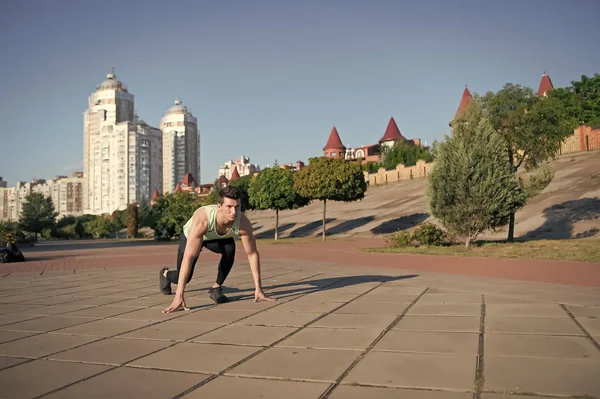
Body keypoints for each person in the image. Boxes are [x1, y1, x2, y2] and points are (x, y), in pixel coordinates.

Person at [160, 186, 276, 313]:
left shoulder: (242, 222)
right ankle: (165, 274)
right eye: (229, 207)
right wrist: (179, 296)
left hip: (215, 237)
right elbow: (189, 257)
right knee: (185, 278)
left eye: (237, 206)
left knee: (229, 249)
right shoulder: (203, 218)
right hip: (192, 236)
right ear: (219, 206)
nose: (234, 212)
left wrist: (258, 288)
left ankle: (216, 288)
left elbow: (252, 254)